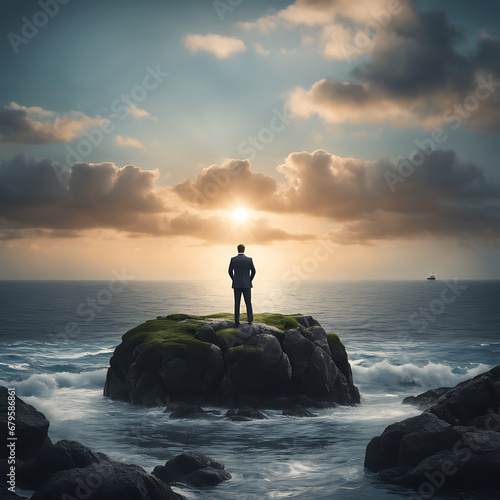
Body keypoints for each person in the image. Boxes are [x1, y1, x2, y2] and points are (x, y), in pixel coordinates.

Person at [228, 244, 255, 325]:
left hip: (236, 284)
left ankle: (237, 320)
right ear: (244, 249)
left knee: (237, 302)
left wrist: (234, 279)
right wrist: (249, 280)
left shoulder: (233, 259)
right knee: (248, 302)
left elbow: (229, 271)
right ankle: (250, 320)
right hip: (247, 284)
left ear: (237, 249)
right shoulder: (249, 259)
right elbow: (254, 271)